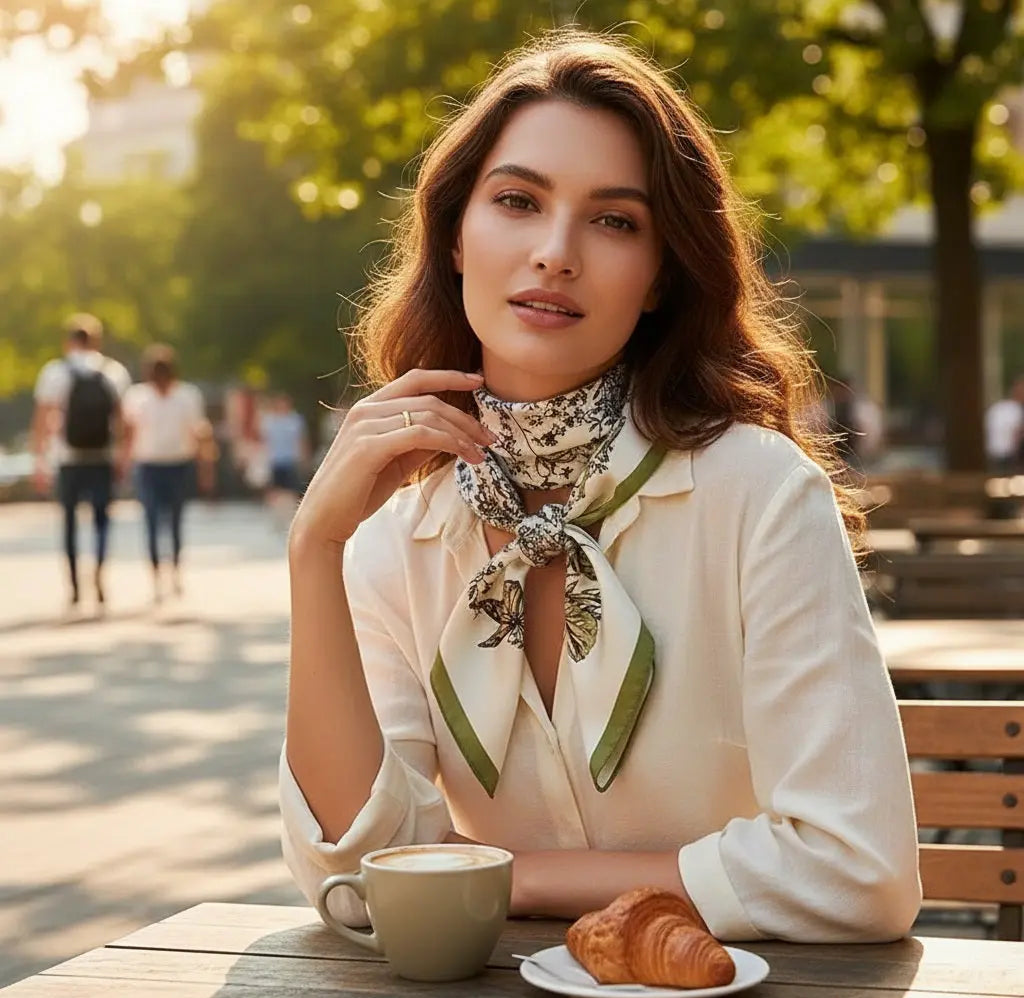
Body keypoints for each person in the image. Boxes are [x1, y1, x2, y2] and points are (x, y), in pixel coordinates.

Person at [281, 31, 921, 943]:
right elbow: (358, 880)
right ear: (455, 237)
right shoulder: (396, 534)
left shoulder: (758, 496)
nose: (555, 252)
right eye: (516, 201)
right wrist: (315, 553)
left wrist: (526, 879)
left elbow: (862, 872)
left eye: (614, 220)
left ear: (661, 275)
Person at [31, 313, 131, 611]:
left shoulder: (55, 372)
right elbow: (123, 420)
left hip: (67, 458)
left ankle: (74, 585)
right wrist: (123, 455)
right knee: (101, 521)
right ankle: (98, 569)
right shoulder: (113, 372)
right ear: (96, 340)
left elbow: (42, 419)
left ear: (68, 341)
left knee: (69, 524)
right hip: (102, 457)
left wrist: (40, 459)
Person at [121, 345, 210, 602]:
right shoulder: (138, 397)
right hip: (148, 466)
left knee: (174, 522)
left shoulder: (187, 396)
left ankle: (174, 572)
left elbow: (199, 432)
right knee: (151, 521)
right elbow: (129, 434)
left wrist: (205, 466)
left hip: (177, 465)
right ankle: (157, 575)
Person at [260, 392, 310, 522]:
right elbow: (265, 440)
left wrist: (303, 456)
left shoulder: (294, 420)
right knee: (275, 489)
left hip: (290, 459)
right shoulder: (270, 420)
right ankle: (275, 516)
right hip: (275, 459)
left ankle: (293, 516)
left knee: (292, 489)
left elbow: (301, 439)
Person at [985, 376, 1024, 474]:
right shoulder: (1015, 409)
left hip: (994, 457)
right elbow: (1018, 435)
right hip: (1008, 459)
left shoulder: (998, 408)